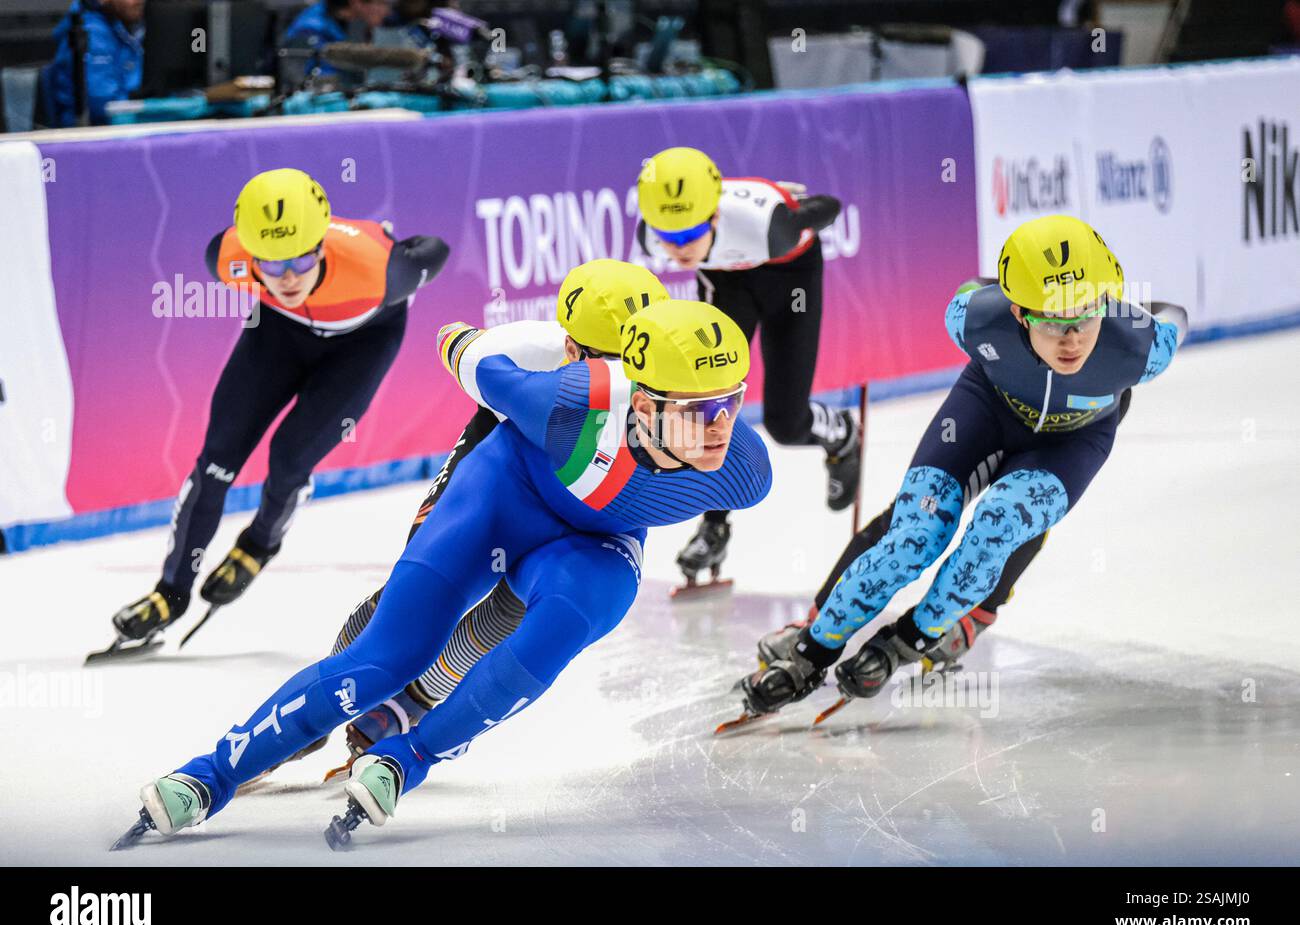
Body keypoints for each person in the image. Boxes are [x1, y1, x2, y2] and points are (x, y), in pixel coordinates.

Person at [116, 299, 772, 849]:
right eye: (698, 411)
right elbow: (468, 353)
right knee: (383, 660)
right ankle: (211, 774)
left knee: (565, 623)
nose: (719, 430)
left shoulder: (746, 470)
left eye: (731, 404)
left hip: (594, 546)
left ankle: (411, 757)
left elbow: (717, 449)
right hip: (500, 500)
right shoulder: (567, 402)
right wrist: (473, 340)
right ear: (646, 404)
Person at [732, 214, 1184, 720]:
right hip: (985, 414)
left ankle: (910, 638)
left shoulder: (1140, 348)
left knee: (1001, 523)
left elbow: (1173, 315)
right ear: (1018, 312)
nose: (1073, 340)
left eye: (1085, 318)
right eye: (1053, 323)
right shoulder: (973, 319)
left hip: (1070, 442)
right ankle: (814, 647)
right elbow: (974, 290)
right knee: (915, 535)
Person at [286, 259, 670, 770]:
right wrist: (475, 354)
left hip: (581, 492)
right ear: (571, 349)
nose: (624, 382)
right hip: (501, 461)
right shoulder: (527, 349)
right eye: (607, 363)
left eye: (634, 367)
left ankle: (415, 701)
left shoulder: (668, 375)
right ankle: (326, 699)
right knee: (417, 591)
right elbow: (454, 341)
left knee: (511, 610)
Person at [105, 169, 448, 658]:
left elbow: (433, 249)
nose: (287, 276)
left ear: (323, 245)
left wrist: (389, 241)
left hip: (362, 344)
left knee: (290, 458)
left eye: (302, 258)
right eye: (271, 262)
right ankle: (171, 592)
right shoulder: (225, 258)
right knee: (216, 462)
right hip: (277, 335)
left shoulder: (384, 270)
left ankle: (259, 543)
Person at [635, 147, 854, 588]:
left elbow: (832, 205)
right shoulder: (651, 232)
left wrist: (798, 210)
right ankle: (714, 525)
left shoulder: (773, 228)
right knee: (706, 401)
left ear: (714, 218)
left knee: (785, 422)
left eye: (690, 234)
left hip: (789, 275)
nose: (677, 249)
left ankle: (842, 433)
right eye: (667, 236)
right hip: (727, 282)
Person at [45, 0, 145, 127]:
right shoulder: (90, 31)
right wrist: (149, 107)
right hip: (87, 137)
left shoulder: (127, 28)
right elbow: (101, 106)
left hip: (122, 129)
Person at [283, 0, 394, 75]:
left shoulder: (352, 22)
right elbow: (319, 80)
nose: (386, 11)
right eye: (381, 3)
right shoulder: (310, 28)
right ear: (356, 3)